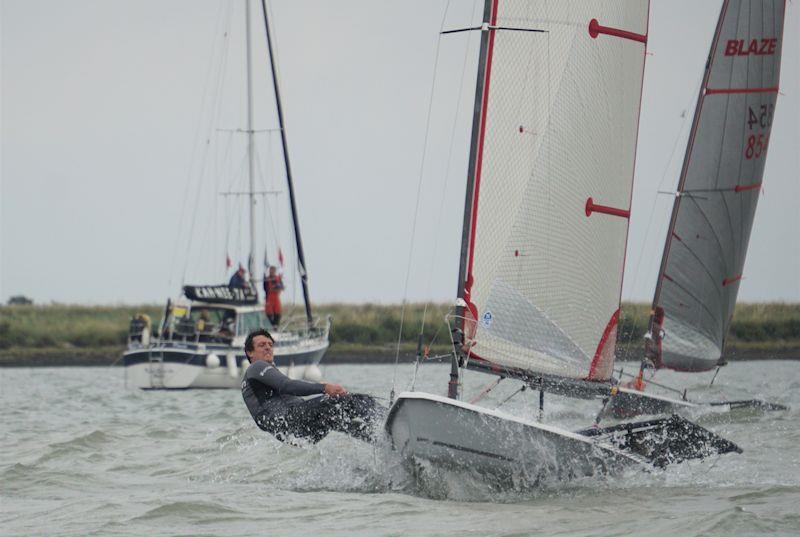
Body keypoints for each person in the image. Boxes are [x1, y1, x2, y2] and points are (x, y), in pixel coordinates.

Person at [241, 329, 384, 444]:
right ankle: (385, 419)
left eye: (270, 345)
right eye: (262, 345)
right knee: (351, 401)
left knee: (337, 417)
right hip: (291, 420)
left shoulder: (255, 379)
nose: (268, 348)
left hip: (294, 434)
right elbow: (287, 385)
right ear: (250, 352)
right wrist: (324, 387)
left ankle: (378, 439)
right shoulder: (256, 367)